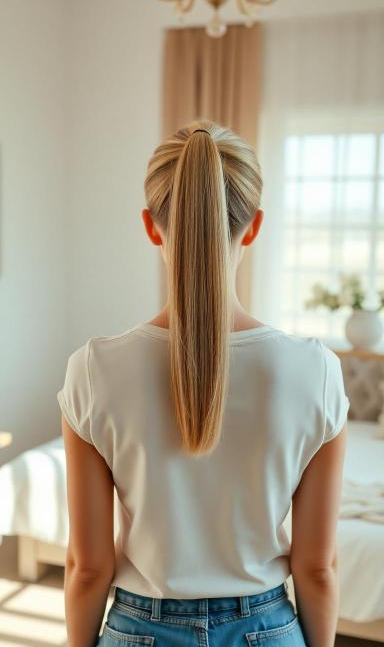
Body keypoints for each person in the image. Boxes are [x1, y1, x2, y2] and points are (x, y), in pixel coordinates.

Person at [57, 119, 350, 647]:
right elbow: (317, 568)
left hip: (138, 627)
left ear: (151, 226)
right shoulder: (317, 370)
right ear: (254, 226)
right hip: (266, 627)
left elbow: (87, 567)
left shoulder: (93, 369)